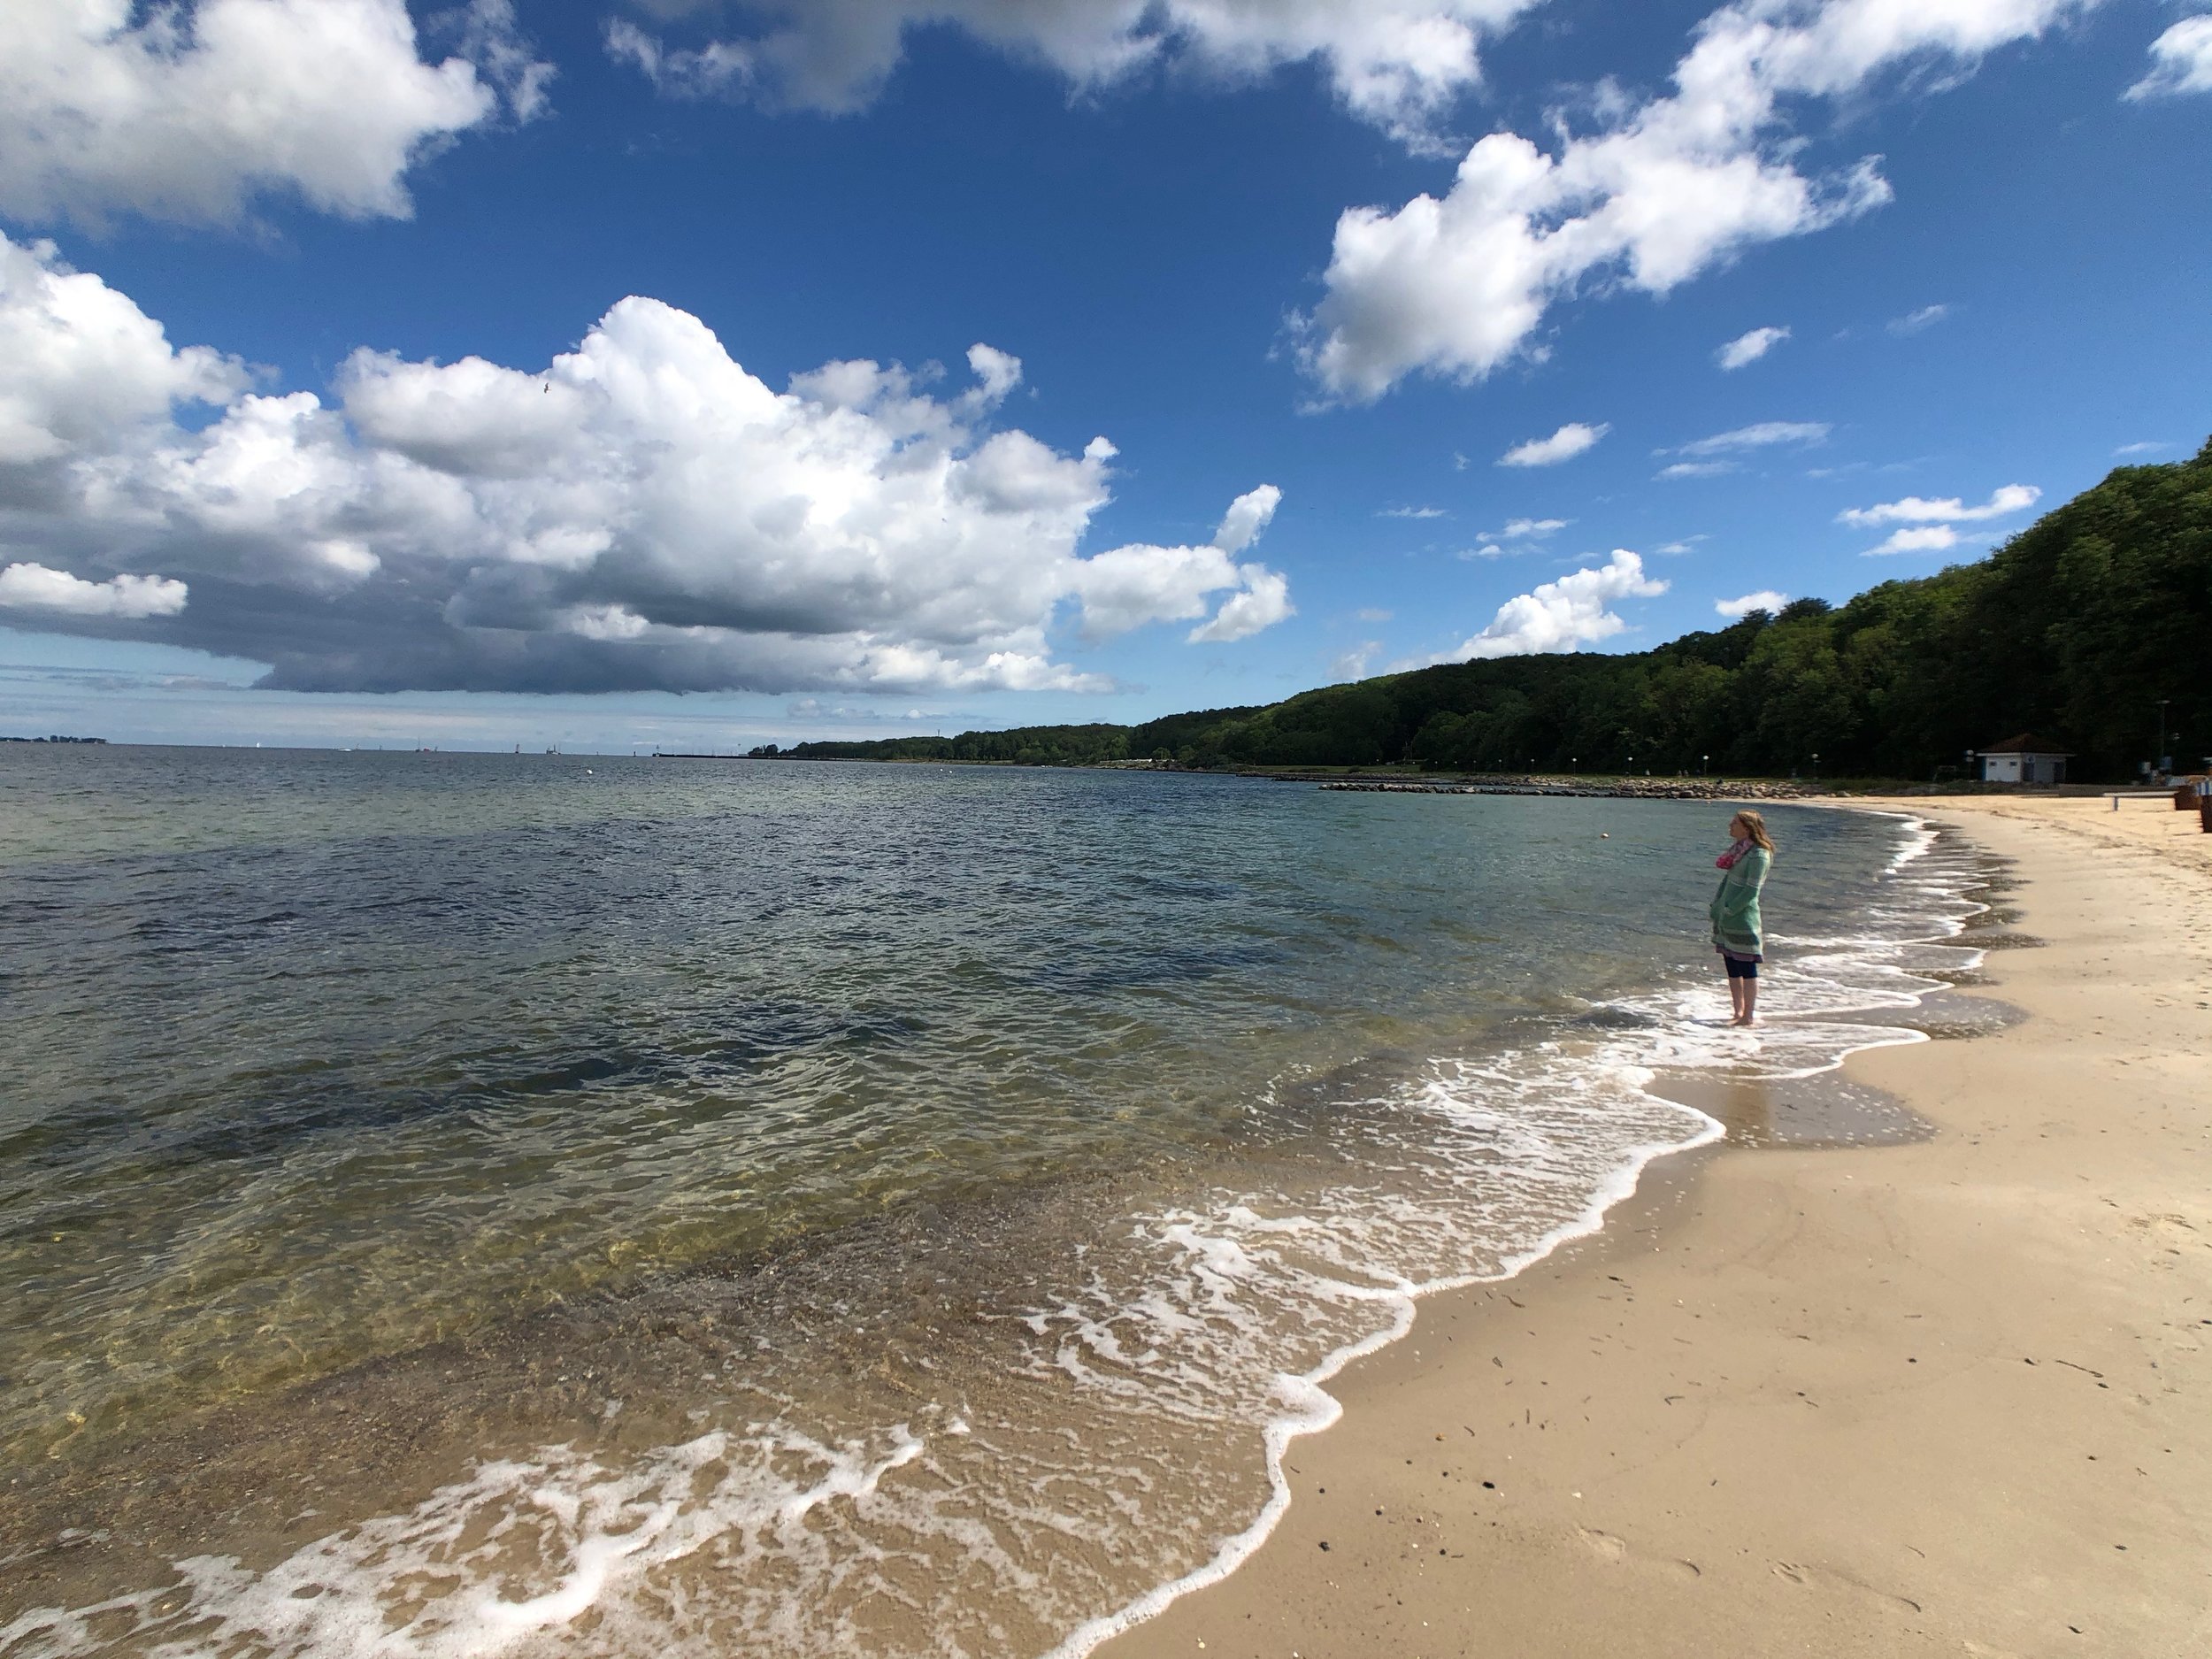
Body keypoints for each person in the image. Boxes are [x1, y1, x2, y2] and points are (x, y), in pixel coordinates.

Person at [1710, 809, 1773, 1025]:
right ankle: (1737, 1011)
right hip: (1726, 918)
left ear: (1747, 828)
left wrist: (1730, 910)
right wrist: (1717, 907)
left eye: (1734, 823)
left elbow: (1751, 891)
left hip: (1742, 919)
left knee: (1747, 968)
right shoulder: (1739, 850)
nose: (1730, 825)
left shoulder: (1759, 855)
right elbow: (1728, 884)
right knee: (1732, 966)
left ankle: (1748, 1016)